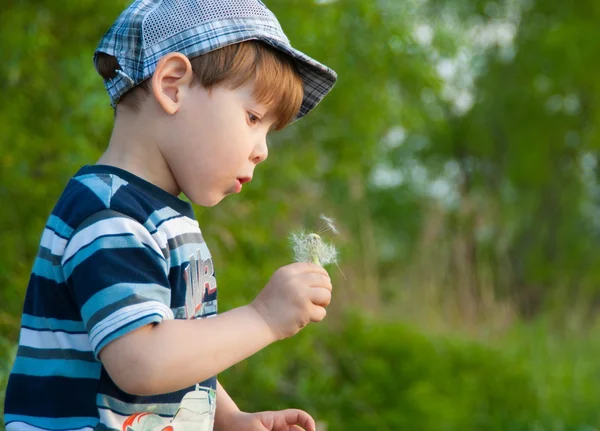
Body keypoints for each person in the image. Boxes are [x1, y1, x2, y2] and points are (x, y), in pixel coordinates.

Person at [3, 1, 337, 430]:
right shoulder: (108, 213)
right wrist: (262, 317)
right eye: (253, 117)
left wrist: (228, 419)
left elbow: (177, 341)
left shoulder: (160, 215)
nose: (263, 149)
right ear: (173, 85)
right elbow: (142, 360)